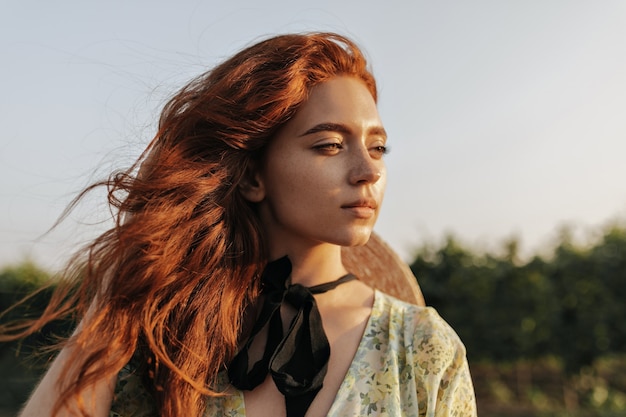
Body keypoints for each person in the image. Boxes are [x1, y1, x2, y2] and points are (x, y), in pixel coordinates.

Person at [3, 32, 476, 417]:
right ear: (252, 176)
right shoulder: (170, 337)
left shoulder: (422, 349)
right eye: (331, 145)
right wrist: (115, 294)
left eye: (377, 147)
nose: (368, 171)